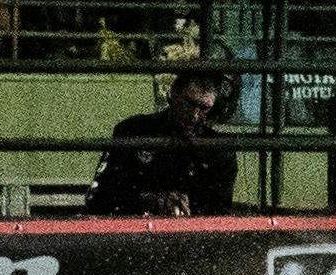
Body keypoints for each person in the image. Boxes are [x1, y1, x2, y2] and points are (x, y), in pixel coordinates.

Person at [87, 61, 237, 215]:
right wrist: (147, 200)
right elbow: (98, 198)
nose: (194, 115)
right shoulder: (133, 130)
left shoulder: (219, 149)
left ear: (212, 108)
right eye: (189, 104)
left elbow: (220, 211)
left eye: (204, 108)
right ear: (173, 93)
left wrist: (188, 206)